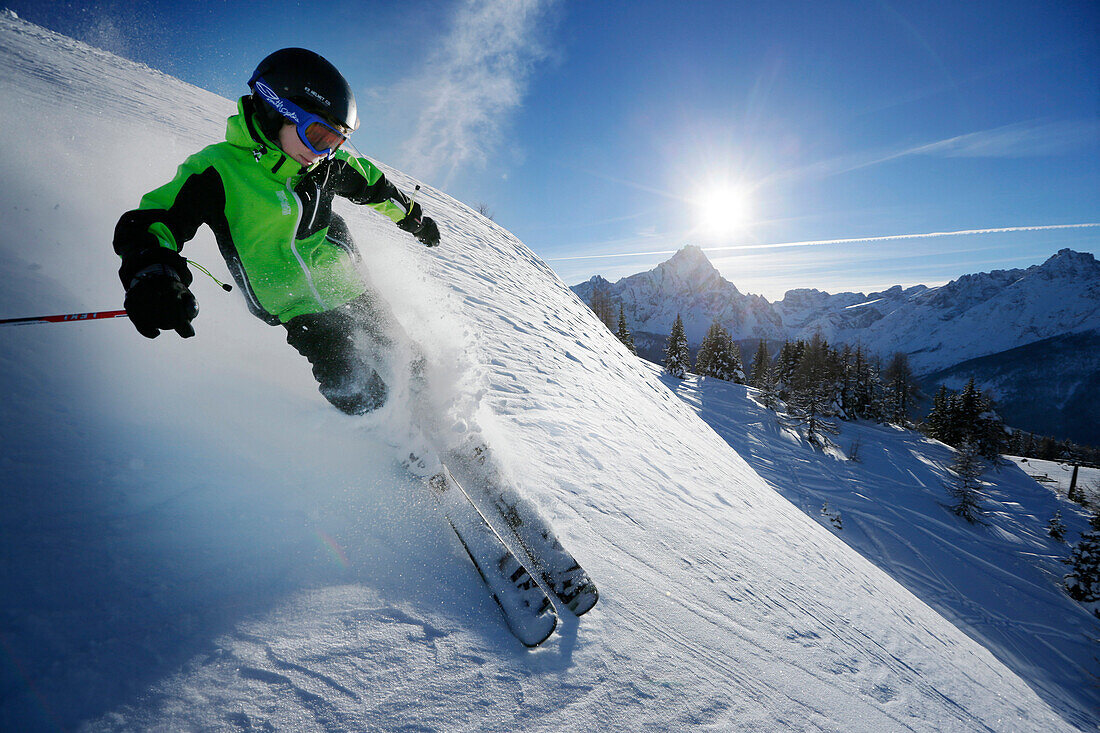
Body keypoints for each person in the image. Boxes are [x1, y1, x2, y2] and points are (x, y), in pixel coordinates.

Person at [113, 48, 440, 415]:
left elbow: (376, 187)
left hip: (349, 282)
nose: (322, 154)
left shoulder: (324, 167)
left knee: (406, 357)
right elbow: (153, 224)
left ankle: (441, 420)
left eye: (335, 143)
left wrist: (413, 219)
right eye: (318, 136)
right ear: (276, 109)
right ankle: (398, 443)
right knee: (349, 379)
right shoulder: (218, 171)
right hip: (293, 304)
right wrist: (153, 276)